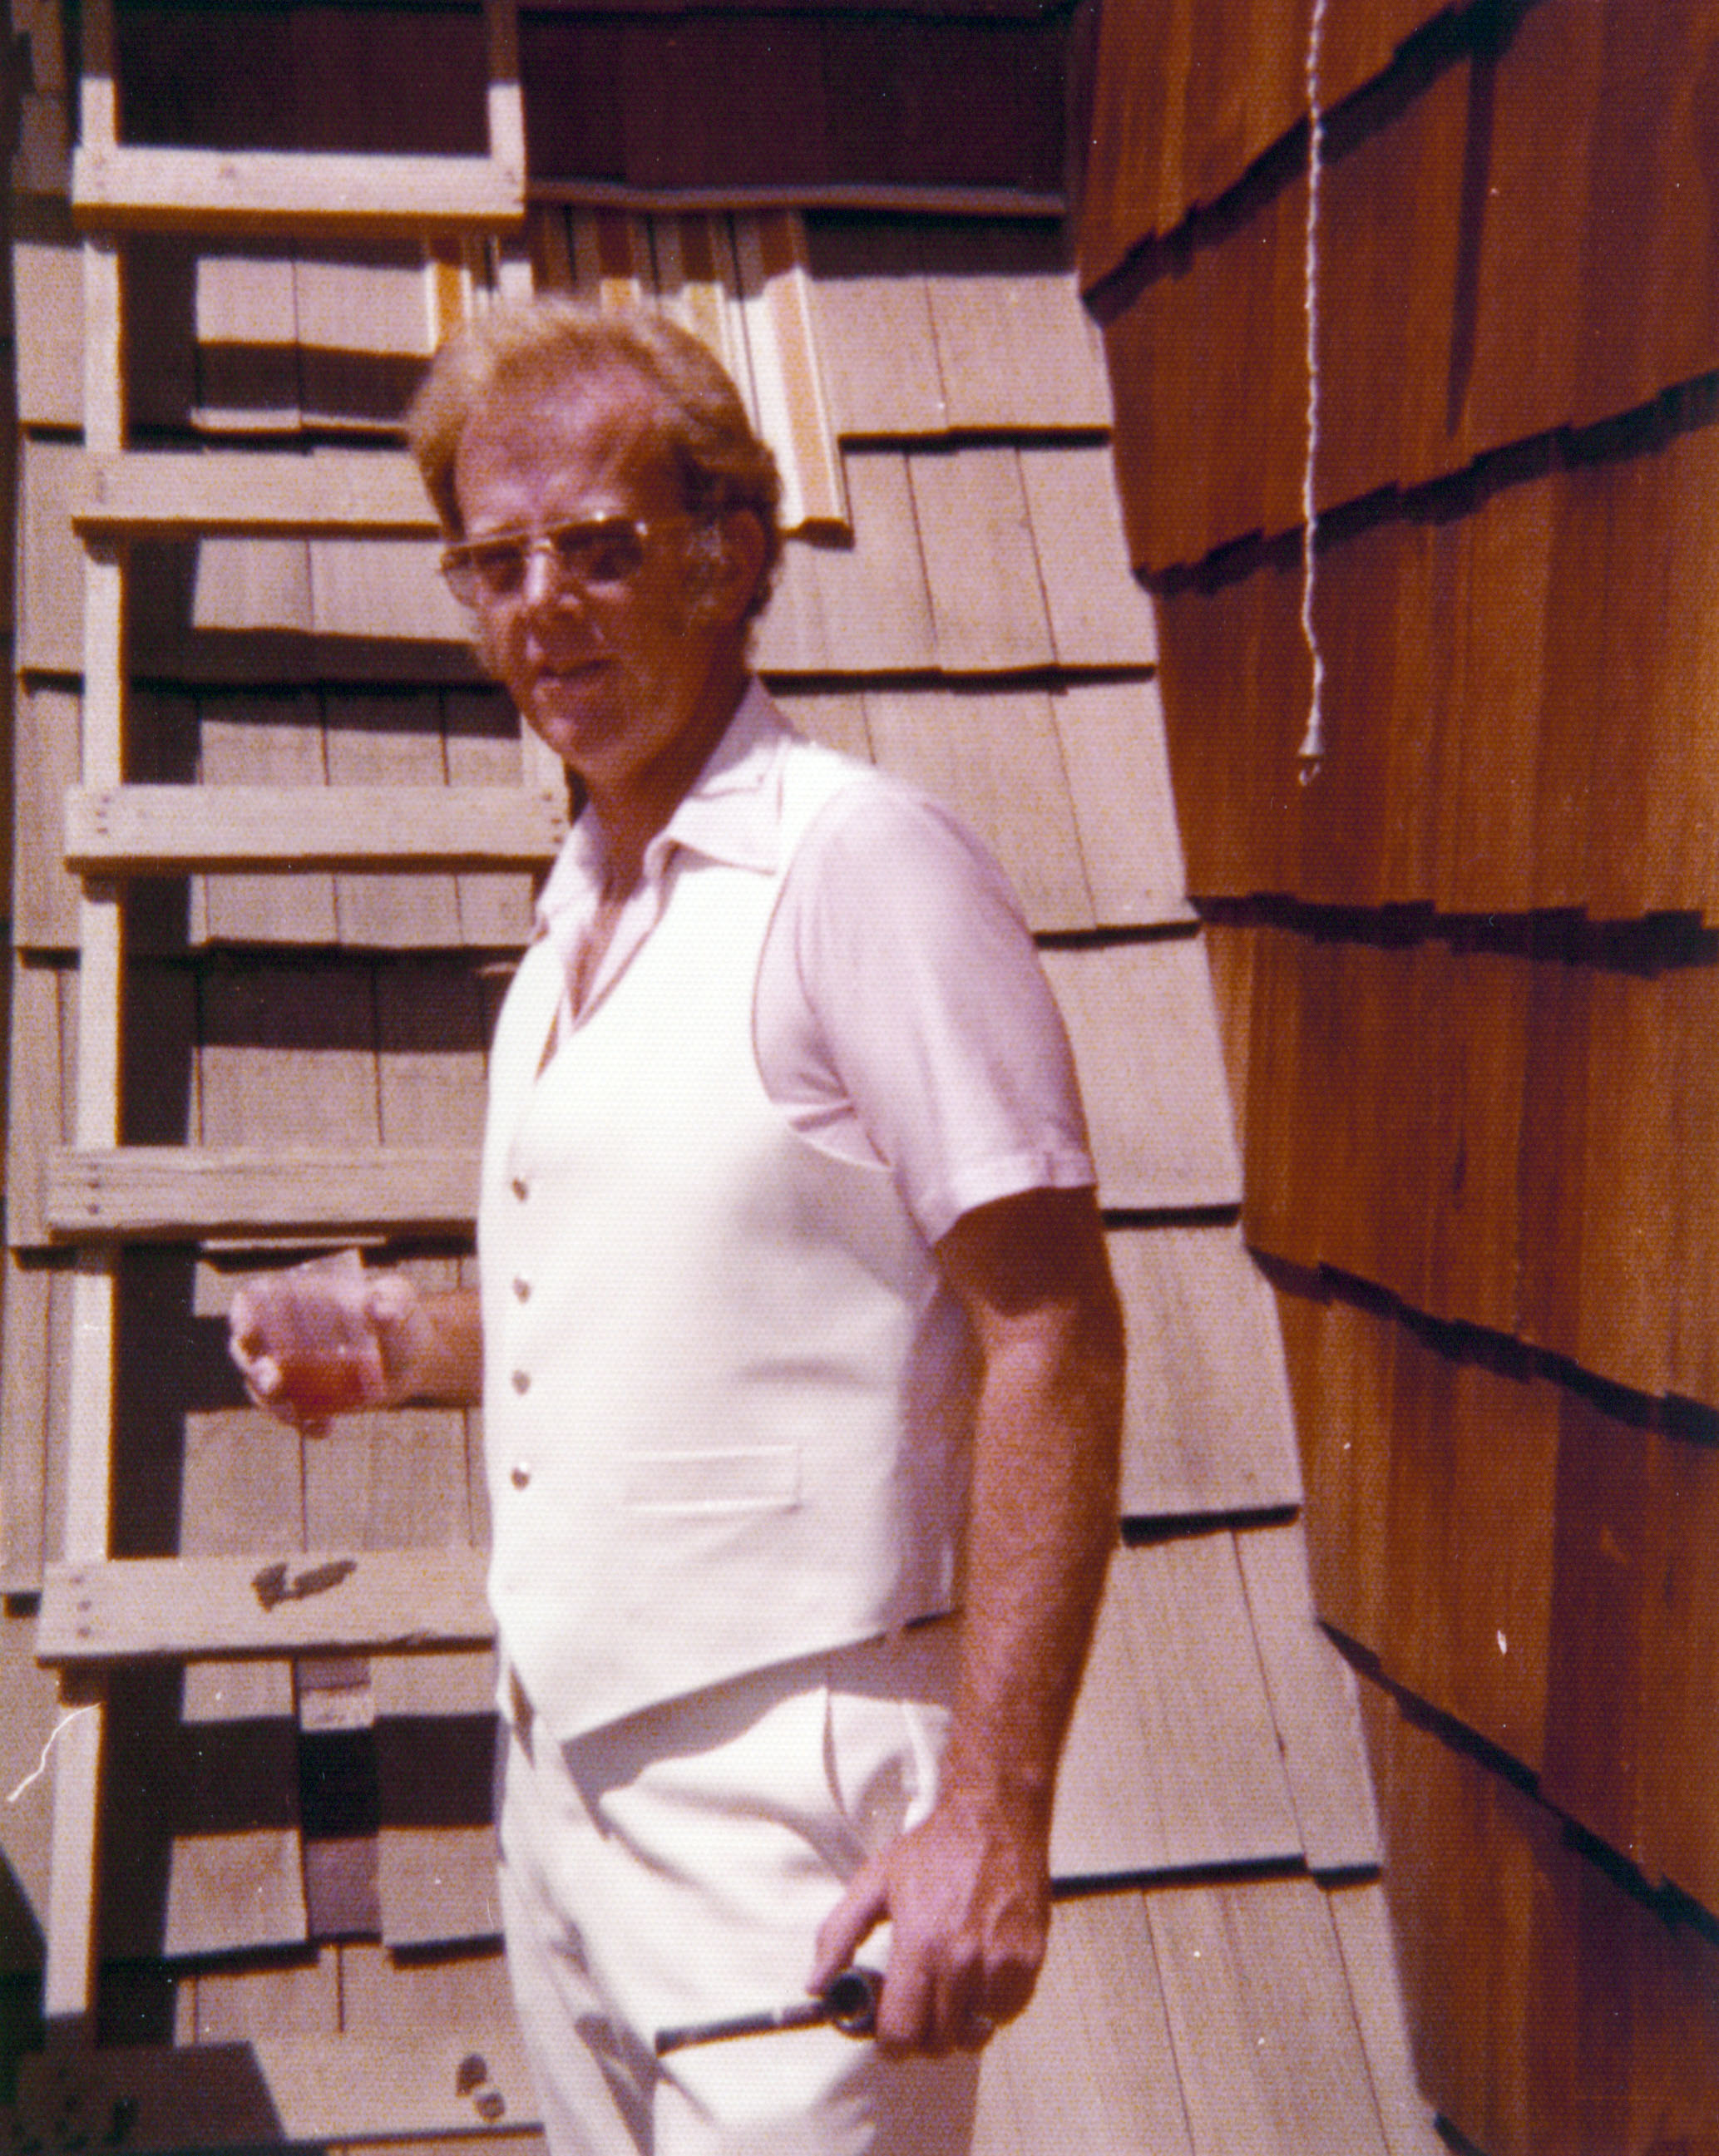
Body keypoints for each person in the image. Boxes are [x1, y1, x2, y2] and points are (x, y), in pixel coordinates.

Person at [230, 297, 1125, 2156]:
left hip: (793, 1809)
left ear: (726, 555)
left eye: (598, 546)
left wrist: (994, 1813)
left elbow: (1052, 1324)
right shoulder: (578, 910)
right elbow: (654, 1302)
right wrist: (399, 1340)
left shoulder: (856, 865)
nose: (540, 605)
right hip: (561, 1796)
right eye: (493, 564)